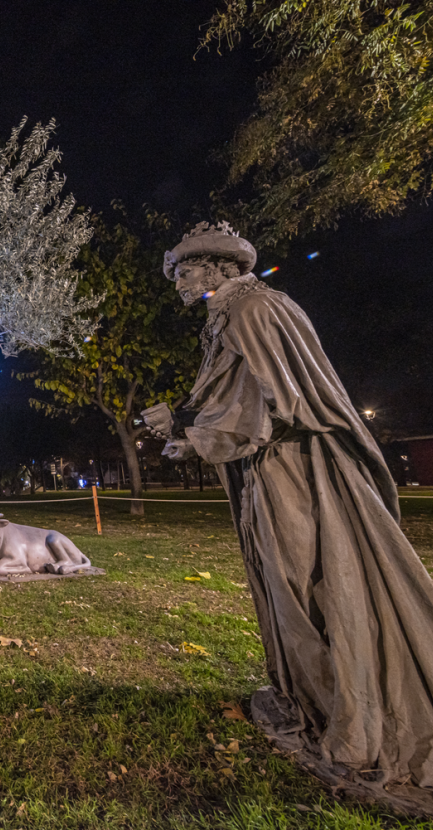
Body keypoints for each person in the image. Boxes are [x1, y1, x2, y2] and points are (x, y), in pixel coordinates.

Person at [143, 222, 433, 790]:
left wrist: (201, 439)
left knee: (310, 585)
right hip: (270, 468)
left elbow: (281, 402)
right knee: (289, 585)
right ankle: (320, 701)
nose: (177, 281)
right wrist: (181, 418)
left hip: (297, 473)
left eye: (183, 270)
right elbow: (239, 395)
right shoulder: (231, 315)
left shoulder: (255, 311)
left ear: (215, 268)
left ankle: (354, 717)